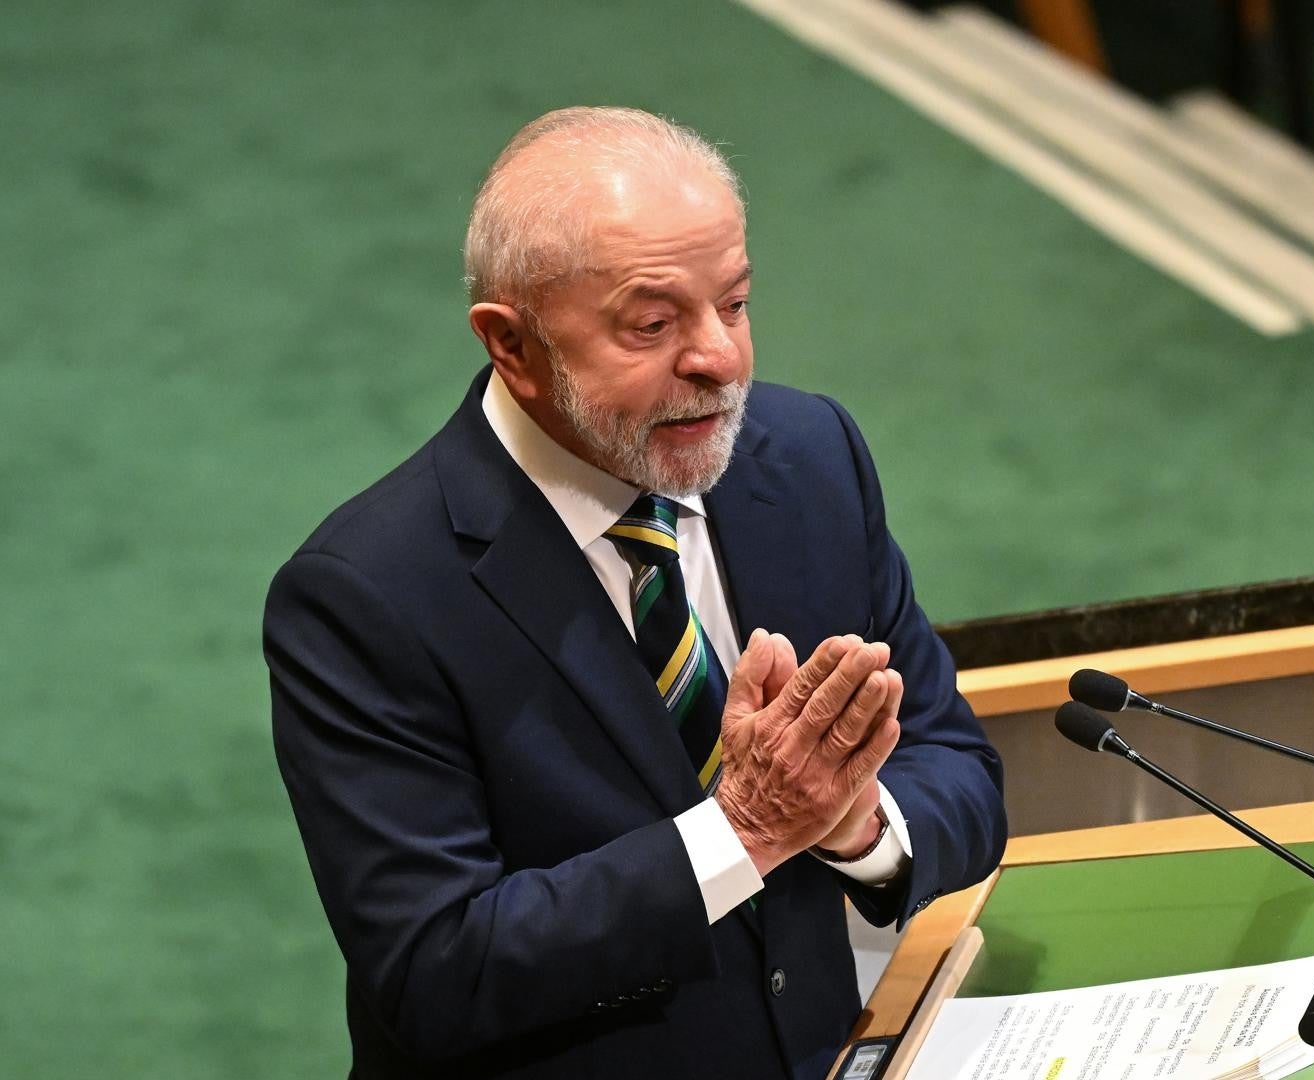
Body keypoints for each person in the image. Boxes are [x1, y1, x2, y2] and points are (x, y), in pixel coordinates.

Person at [263, 106, 1007, 1079]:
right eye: (652, 324)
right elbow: (438, 972)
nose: (722, 359)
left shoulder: (812, 458)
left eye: (734, 304)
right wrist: (741, 832)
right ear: (512, 346)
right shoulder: (367, 597)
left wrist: (857, 828)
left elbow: (959, 769)